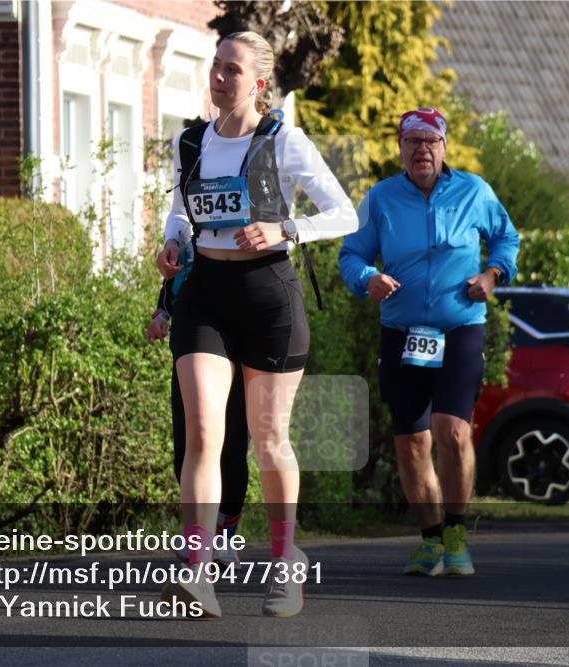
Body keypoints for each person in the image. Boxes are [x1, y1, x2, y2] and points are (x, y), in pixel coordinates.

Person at [155, 31, 358, 618]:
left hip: (269, 295)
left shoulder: (285, 140)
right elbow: (180, 212)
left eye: (232, 71)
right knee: (202, 434)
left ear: (259, 83)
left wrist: (285, 229)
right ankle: (197, 571)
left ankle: (284, 559)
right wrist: (172, 244)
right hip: (206, 296)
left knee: (269, 442)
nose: (219, 78)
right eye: (216, 67)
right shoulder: (190, 141)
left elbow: (344, 212)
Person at [339, 107, 520, 578]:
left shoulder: (474, 191)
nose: (422, 149)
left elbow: (507, 239)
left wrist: (492, 273)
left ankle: (457, 533)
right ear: (401, 149)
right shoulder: (381, 197)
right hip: (401, 334)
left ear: (444, 147)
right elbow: (351, 254)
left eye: (430, 141)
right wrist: (368, 278)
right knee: (412, 444)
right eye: (412, 141)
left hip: (460, 326)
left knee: (452, 430)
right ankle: (429, 540)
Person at [147, 270, 249, 567]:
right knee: (190, 443)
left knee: (232, 446)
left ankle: (224, 533)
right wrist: (162, 314)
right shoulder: (186, 232)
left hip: (239, 341)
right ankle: (198, 531)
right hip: (193, 339)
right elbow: (172, 281)